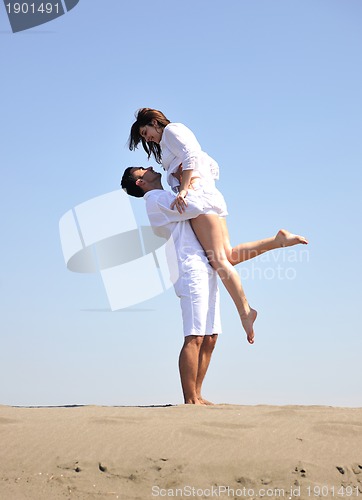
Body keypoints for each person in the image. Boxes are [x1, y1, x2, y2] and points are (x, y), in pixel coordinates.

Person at [121, 166, 308, 404]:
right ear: (140, 183)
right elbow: (197, 206)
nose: (150, 168)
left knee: (210, 336)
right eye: (143, 170)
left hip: (204, 264)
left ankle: (198, 394)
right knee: (195, 336)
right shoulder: (156, 199)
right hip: (189, 268)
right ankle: (190, 399)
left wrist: (184, 184)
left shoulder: (165, 195)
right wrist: (193, 180)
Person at [128, 108, 308, 345]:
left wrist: (185, 187)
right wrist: (193, 181)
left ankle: (245, 312)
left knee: (219, 260)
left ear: (154, 122)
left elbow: (193, 155)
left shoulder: (172, 130)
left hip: (198, 197)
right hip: (205, 195)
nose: (147, 138)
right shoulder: (167, 144)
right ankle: (278, 240)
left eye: (145, 132)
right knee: (227, 256)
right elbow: (208, 164)